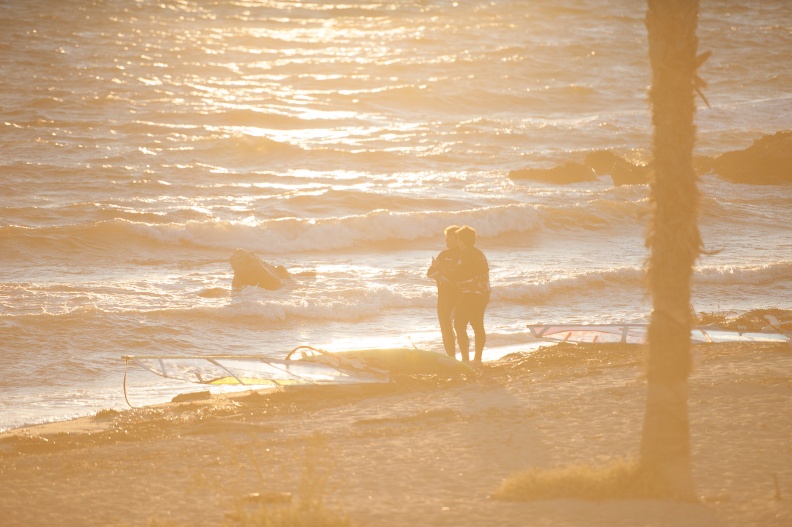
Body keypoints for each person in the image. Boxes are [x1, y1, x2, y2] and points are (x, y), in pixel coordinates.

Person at [451, 225, 490, 365]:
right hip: (484, 294)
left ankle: (465, 359)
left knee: (459, 325)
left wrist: (440, 270)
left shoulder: (466, 255)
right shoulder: (480, 254)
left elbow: (457, 276)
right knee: (477, 324)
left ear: (461, 240)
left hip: (469, 293)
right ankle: (478, 358)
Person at [427, 225, 461, 357]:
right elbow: (430, 273)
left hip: (456, 296)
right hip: (442, 296)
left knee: (452, 324)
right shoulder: (443, 254)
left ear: (457, 238)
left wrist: (441, 270)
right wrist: (438, 269)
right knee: (444, 325)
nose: (446, 240)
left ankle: (457, 356)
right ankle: (450, 356)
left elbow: (457, 275)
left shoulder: (463, 255)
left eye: (449, 238)